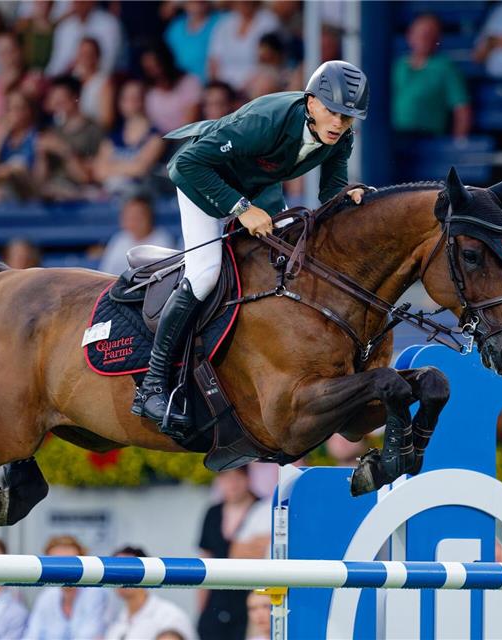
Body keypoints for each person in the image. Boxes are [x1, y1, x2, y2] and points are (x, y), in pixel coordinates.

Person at [133, 60, 369, 435]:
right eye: (332, 112)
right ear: (311, 103)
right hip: (207, 181)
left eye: (348, 117)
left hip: (258, 187)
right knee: (206, 273)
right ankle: (152, 385)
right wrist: (240, 209)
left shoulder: (341, 136)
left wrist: (347, 193)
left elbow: (329, 190)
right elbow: (183, 165)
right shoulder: (266, 120)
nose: (339, 123)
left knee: (290, 257)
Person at [197, 468, 263, 640]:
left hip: (250, 602)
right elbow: (204, 560)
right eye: (226, 478)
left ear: (247, 478)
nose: (232, 484)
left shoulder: (263, 510)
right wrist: (201, 609)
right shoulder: (213, 513)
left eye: (237, 478)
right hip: (216, 602)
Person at [23, 535, 120, 639]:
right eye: (56, 563)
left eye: (70, 562)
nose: (64, 570)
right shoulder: (47, 596)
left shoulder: (96, 594)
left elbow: (91, 636)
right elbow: (32, 635)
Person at [392, 14, 471, 138]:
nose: (423, 38)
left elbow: (462, 110)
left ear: (437, 38)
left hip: (426, 138)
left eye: (429, 34)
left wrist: (457, 144)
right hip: (392, 137)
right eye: (420, 33)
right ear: (410, 35)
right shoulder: (397, 66)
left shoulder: (445, 68)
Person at [34, 76, 105, 201]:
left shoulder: (94, 130)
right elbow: (39, 179)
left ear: (75, 98)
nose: (57, 104)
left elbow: (86, 177)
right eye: (54, 99)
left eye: (62, 99)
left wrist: (63, 149)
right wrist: (42, 155)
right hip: (50, 191)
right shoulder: (53, 131)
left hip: (79, 191)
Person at [104, 546, 196, 640]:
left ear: (147, 575)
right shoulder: (116, 622)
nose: (121, 577)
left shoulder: (170, 617)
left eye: (128, 570)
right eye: (115, 571)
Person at [0, 32, 45, 147]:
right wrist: (1, 124)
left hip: (19, 143)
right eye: (1, 52)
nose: (5, 56)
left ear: (20, 51)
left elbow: (22, 120)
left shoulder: (32, 81)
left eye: (10, 51)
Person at [93, 80, 165, 197]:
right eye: (126, 98)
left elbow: (141, 169)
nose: (131, 102)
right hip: (113, 197)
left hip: (142, 197)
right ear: (120, 103)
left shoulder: (156, 136)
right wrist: (130, 166)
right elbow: (98, 171)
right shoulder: (113, 136)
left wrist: (112, 167)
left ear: (144, 100)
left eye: (136, 97)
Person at [0, 90, 39, 204]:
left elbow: (24, 170)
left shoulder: (36, 137)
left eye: (18, 108)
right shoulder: (3, 137)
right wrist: (3, 131)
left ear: (28, 111)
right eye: (9, 109)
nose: (13, 113)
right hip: (1, 187)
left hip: (28, 191)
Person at [207, 2, 279, 91]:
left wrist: (245, 86)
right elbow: (213, 60)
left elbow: (269, 59)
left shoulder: (268, 21)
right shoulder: (224, 22)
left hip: (254, 84)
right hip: (225, 87)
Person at [99, 196, 175, 275]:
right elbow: (105, 272)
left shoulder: (163, 239)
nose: (134, 222)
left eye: (138, 217)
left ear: (149, 217)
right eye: (130, 218)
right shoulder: (119, 238)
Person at [45, 1, 122, 77]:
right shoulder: (64, 27)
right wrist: (45, 78)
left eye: (82, 1)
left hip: (97, 79)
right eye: (76, 1)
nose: (79, 4)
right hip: (68, 80)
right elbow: (57, 63)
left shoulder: (109, 24)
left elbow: (108, 64)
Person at [141, 43, 202, 135]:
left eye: (157, 65)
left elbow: (190, 122)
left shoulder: (189, 82)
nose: (155, 73)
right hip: (157, 140)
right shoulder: (147, 90)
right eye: (149, 69)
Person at [164, 1, 221, 83]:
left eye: (200, 2)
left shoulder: (221, 21)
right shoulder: (176, 27)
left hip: (212, 83)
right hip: (182, 84)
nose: (196, 2)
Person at [73, 38, 115, 131]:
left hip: (90, 132)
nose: (85, 57)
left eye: (89, 53)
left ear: (97, 57)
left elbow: (107, 121)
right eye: (82, 53)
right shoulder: (71, 79)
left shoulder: (103, 83)